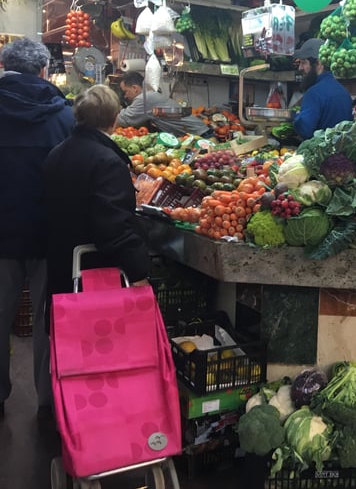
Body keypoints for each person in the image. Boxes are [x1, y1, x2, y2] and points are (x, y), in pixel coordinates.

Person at [0, 38, 74, 418]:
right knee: (49, 319)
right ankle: (48, 401)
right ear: (44, 71)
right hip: (50, 235)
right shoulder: (65, 116)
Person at [43, 85, 150, 307]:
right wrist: (138, 270)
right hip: (93, 272)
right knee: (94, 333)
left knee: (66, 334)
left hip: (61, 261)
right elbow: (114, 226)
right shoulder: (107, 162)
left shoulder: (56, 152)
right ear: (114, 119)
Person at [291, 38, 353, 139]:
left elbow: (305, 130)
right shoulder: (344, 92)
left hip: (319, 153)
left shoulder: (313, 93)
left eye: (304, 62)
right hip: (341, 153)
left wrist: (295, 117)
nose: (300, 68)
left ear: (319, 64)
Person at [117, 71, 210, 137]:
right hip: (200, 132)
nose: (125, 96)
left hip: (202, 137)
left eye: (126, 91)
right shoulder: (151, 94)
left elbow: (124, 120)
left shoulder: (145, 98)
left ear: (135, 88)